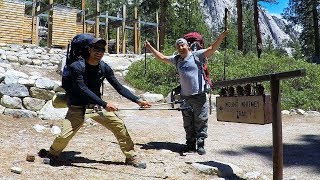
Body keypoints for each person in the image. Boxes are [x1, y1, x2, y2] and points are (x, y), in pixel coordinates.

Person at [42, 36, 151, 169]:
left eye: (102, 49)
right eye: (96, 48)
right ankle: (52, 154)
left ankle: (131, 156)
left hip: (96, 107)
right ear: (89, 49)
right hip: (78, 107)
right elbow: (83, 89)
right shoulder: (77, 66)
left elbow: (119, 87)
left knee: (119, 126)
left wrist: (137, 100)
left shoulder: (104, 67)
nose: (99, 51)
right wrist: (105, 104)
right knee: (64, 136)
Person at [145, 30, 228, 155]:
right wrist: (150, 47)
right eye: (178, 46)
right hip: (185, 96)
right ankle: (190, 143)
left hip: (199, 95)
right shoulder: (177, 59)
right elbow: (161, 58)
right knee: (188, 122)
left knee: (201, 120)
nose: (180, 47)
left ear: (187, 46)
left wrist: (220, 37)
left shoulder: (197, 55)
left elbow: (211, 48)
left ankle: (200, 143)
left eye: (182, 45)